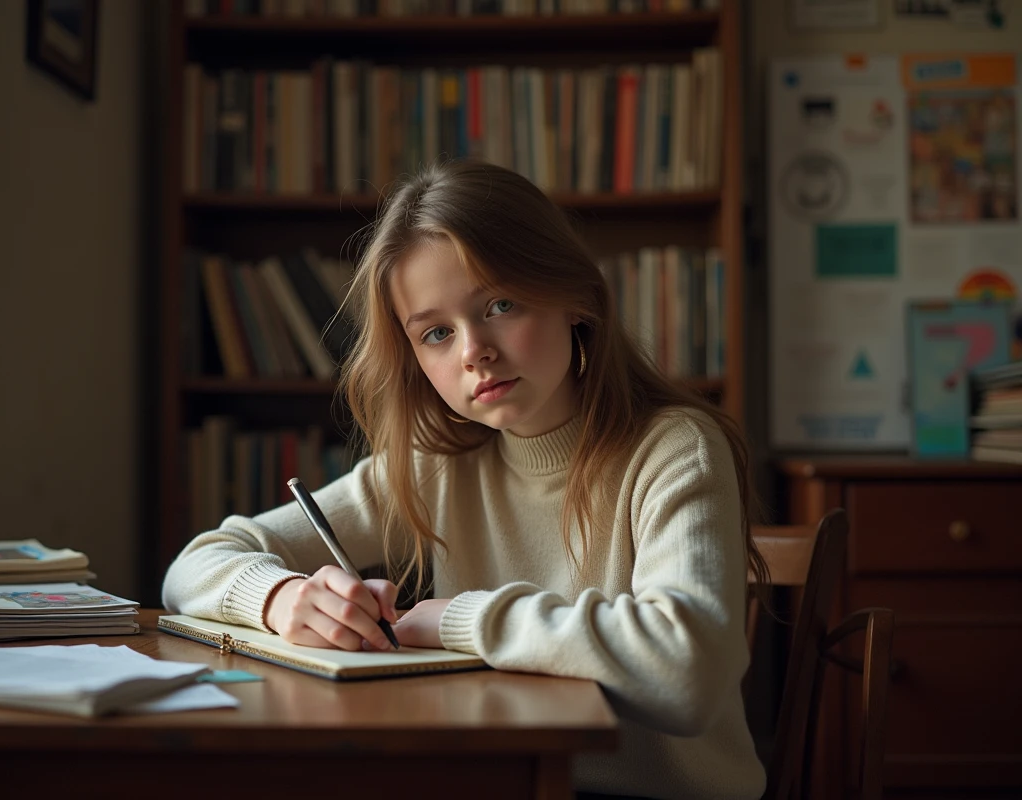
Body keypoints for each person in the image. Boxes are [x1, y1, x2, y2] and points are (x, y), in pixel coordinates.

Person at [163, 160, 769, 799]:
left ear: (576, 298)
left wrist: (460, 620)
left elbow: (688, 677)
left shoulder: (674, 448)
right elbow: (193, 567)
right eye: (436, 333)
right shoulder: (436, 465)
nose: (473, 351)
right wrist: (284, 599)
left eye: (500, 304)